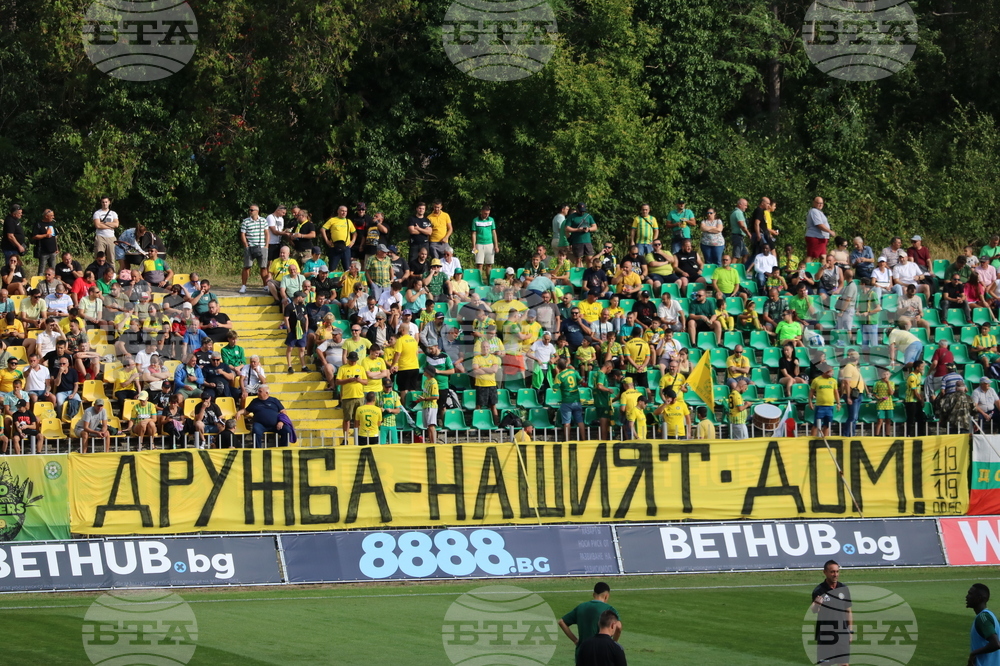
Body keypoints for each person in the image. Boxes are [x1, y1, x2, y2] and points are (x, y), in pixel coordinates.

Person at [558, 582, 621, 662]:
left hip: (582, 651)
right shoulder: (609, 609)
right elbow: (618, 627)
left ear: (593, 594)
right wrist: (614, 642)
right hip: (600, 652)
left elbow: (561, 622)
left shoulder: (581, 607)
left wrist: (575, 640)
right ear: (606, 596)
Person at [810, 560, 852, 666]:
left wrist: (850, 631)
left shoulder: (843, 589)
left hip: (842, 634)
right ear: (825, 572)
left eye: (837, 571)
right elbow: (814, 610)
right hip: (826, 635)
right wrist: (817, 604)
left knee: (844, 664)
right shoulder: (819, 590)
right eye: (832, 572)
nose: (835, 574)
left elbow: (848, 611)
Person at [337, 351, 368, 445]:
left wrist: (359, 380)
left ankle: (358, 437)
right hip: (348, 397)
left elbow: (366, 382)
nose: (353, 362)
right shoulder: (343, 368)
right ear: (348, 359)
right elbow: (338, 381)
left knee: (358, 419)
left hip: (359, 396)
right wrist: (348, 380)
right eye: (351, 360)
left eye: (354, 360)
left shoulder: (361, 368)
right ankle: (345, 438)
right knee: (347, 419)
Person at [966, 583, 1000, 666]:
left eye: (970, 594)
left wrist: (973, 654)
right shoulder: (990, 615)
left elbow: (995, 644)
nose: (967, 597)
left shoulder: (983, 618)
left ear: (979, 598)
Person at [809, 362, 840, 438]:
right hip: (820, 406)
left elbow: (836, 392)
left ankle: (824, 439)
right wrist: (810, 402)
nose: (832, 373)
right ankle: (811, 440)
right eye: (830, 371)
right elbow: (811, 392)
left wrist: (838, 403)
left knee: (827, 424)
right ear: (825, 371)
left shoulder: (833, 381)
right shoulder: (816, 380)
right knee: (816, 424)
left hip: (830, 406)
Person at [321, 205, 355, 272]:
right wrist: (327, 241)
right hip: (334, 247)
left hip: (346, 247)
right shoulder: (332, 220)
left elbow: (354, 233)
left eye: (345, 211)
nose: (344, 213)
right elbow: (322, 229)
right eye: (342, 211)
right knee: (332, 268)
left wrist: (353, 241)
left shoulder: (348, 221)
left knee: (348, 269)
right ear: (338, 211)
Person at [283, 290, 309, 373]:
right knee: (290, 348)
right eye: (302, 297)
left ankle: (303, 366)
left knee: (302, 348)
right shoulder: (289, 307)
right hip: (293, 330)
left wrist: (306, 328)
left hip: (302, 330)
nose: (303, 299)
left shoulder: (302, 306)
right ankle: (289, 366)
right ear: (298, 297)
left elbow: (306, 317)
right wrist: (289, 328)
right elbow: (286, 318)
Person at [805, 197, 834, 261]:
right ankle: (806, 267)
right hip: (815, 237)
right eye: (818, 203)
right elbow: (819, 224)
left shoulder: (819, 212)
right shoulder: (814, 211)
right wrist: (829, 231)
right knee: (811, 255)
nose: (820, 205)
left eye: (822, 203)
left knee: (823, 256)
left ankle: (822, 268)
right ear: (814, 203)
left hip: (821, 238)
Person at [417, 365, 439, 443]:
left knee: (431, 426)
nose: (423, 372)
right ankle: (431, 443)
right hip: (425, 405)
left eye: (425, 370)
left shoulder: (433, 382)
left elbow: (436, 396)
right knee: (428, 427)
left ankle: (434, 443)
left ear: (428, 372)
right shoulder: (426, 381)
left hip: (431, 406)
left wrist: (425, 399)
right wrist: (421, 399)